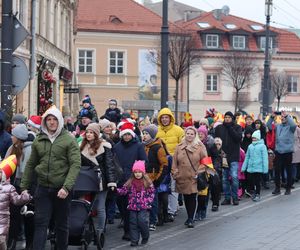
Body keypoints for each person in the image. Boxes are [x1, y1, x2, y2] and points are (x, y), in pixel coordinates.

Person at [20, 106, 81, 250]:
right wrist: (24, 187)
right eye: (49, 119)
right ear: (45, 122)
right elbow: (30, 164)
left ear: (59, 121)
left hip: (61, 189)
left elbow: (75, 164)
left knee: (61, 225)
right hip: (43, 188)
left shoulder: (68, 140)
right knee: (40, 223)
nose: (52, 122)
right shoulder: (39, 140)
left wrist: (66, 187)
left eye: (54, 119)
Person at [80, 123, 116, 234]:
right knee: (84, 206)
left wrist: (111, 181)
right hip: (86, 180)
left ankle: (100, 231)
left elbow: (109, 165)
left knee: (100, 207)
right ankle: (84, 230)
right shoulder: (82, 146)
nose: (89, 134)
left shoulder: (104, 146)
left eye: (91, 132)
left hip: (101, 180)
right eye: (87, 132)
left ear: (96, 134)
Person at [114, 121, 148, 241]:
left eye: (129, 134)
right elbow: (114, 162)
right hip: (120, 181)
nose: (127, 137)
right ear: (121, 135)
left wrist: (136, 173)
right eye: (124, 135)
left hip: (134, 181)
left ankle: (131, 231)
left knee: (132, 208)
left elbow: (144, 161)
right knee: (123, 207)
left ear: (132, 135)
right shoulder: (117, 146)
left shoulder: (138, 146)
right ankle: (127, 229)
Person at [172, 126, 207, 228]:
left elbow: (206, 161)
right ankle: (189, 216)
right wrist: (175, 172)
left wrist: (198, 172)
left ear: (195, 135)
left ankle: (191, 218)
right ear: (185, 134)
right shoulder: (179, 146)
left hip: (193, 177)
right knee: (186, 197)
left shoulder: (200, 146)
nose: (189, 135)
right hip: (181, 176)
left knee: (192, 197)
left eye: (192, 134)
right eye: (188, 133)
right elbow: (175, 161)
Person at [4, 124, 33, 250]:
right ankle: (12, 240)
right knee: (14, 215)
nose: (11, 137)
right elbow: (5, 164)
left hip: (26, 186)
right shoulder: (12, 148)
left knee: (28, 215)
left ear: (18, 137)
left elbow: (28, 170)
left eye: (13, 135)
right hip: (13, 185)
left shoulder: (29, 149)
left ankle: (30, 243)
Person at [117, 160, 154, 247]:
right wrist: (116, 190)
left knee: (142, 221)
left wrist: (148, 201)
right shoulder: (130, 182)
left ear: (143, 172)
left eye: (139, 172)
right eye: (135, 172)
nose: (137, 174)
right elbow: (123, 191)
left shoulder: (147, 182)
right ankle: (134, 240)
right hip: (132, 206)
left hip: (143, 206)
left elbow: (152, 193)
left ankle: (145, 235)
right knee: (133, 223)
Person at [156, 108, 184, 221]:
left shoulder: (178, 130)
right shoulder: (156, 130)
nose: (164, 119)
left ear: (170, 118)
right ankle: (161, 210)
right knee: (161, 188)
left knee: (173, 187)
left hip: (174, 162)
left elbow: (182, 145)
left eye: (166, 117)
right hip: (160, 163)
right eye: (162, 117)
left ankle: (171, 210)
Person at [142, 124, 168, 230]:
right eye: (143, 133)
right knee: (142, 200)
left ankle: (153, 221)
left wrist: (158, 179)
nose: (144, 136)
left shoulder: (158, 148)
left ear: (152, 135)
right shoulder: (142, 146)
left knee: (153, 201)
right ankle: (143, 221)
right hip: (141, 178)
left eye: (147, 134)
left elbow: (164, 165)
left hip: (153, 178)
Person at [0, 165, 31, 250]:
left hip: (3, 221)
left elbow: (16, 200)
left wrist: (25, 197)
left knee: (1, 241)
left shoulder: (9, 188)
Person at [215, 111, 242, 205]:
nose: (227, 119)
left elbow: (238, 138)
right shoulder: (219, 128)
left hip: (234, 157)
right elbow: (216, 140)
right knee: (225, 178)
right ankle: (227, 197)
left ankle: (235, 197)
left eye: (229, 117)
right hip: (224, 157)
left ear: (232, 118)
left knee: (234, 177)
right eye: (225, 117)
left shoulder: (237, 127)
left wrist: (230, 128)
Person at [267, 111, 296, 195]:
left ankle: (288, 188)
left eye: (284, 118)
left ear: (287, 119)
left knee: (289, 170)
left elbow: (294, 124)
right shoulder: (278, 126)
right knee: (277, 170)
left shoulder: (291, 127)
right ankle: (277, 188)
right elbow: (269, 126)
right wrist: (272, 117)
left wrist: (287, 116)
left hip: (288, 152)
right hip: (278, 151)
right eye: (281, 118)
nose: (282, 119)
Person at [242, 130, 268, 201]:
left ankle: (257, 194)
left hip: (258, 168)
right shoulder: (250, 146)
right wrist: (244, 167)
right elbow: (247, 157)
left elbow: (265, 158)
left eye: (255, 138)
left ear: (258, 138)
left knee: (257, 181)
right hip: (251, 168)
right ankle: (253, 192)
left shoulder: (262, 146)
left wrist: (265, 169)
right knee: (251, 181)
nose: (253, 139)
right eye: (253, 138)